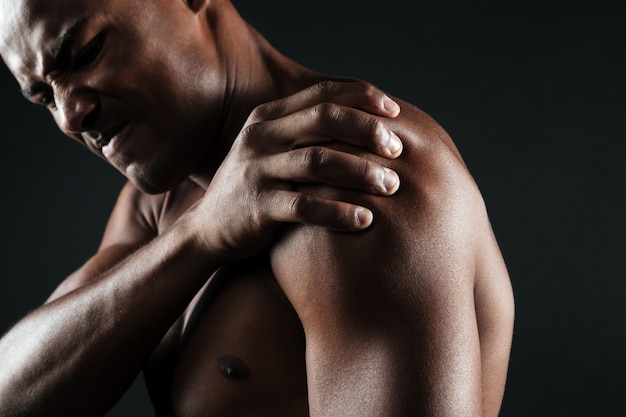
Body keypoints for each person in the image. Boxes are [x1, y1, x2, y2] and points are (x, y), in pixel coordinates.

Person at [0, 0, 514, 416]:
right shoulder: (159, 204)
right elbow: (14, 393)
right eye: (44, 96)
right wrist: (201, 236)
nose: (70, 116)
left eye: (87, 52)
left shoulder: (348, 178)